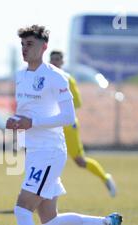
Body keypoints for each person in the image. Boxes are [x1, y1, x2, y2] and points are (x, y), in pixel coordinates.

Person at [0, 25, 127, 225]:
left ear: (43, 47)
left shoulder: (56, 78)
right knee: (50, 221)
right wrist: (17, 121)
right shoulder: (19, 76)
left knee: (21, 208)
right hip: (35, 153)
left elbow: (68, 118)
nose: (25, 48)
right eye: (22, 44)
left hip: (50, 152)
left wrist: (32, 122)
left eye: (30, 44)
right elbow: (29, 114)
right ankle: (108, 222)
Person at [49, 50, 117, 197]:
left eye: (58, 59)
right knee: (46, 157)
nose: (55, 62)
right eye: (52, 59)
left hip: (68, 125)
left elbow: (78, 103)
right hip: (51, 125)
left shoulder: (67, 79)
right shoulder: (44, 79)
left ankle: (105, 178)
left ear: (62, 62)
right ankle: (44, 195)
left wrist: (60, 107)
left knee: (80, 161)